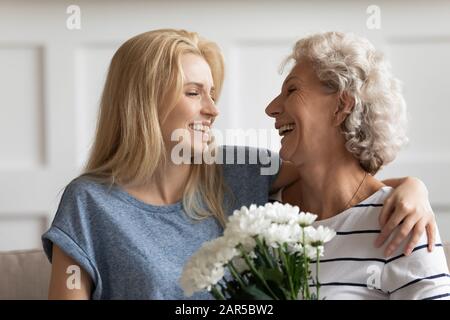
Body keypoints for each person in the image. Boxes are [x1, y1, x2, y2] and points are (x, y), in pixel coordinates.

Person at [42, 29, 436, 300]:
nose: (213, 110)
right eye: (194, 93)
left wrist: (412, 187)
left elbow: (338, 171)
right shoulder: (89, 203)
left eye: (212, 93)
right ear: (142, 104)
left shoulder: (236, 174)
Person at [267, 31, 450, 299]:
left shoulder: (401, 222)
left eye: (292, 89)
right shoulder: (259, 215)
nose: (271, 108)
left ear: (341, 106)